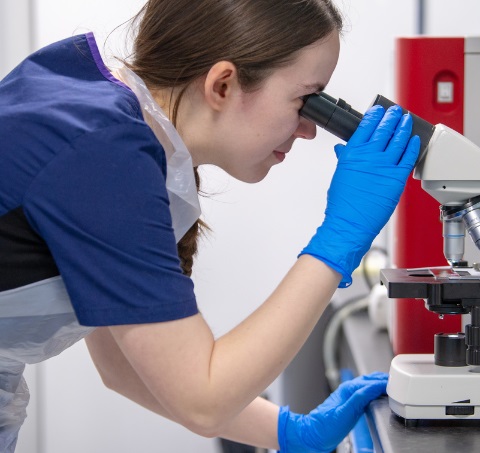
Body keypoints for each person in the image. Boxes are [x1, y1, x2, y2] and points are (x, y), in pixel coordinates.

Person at [0, 0, 420, 451]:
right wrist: (342, 235)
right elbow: (205, 397)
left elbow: (125, 366)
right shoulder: (102, 153)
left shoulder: (104, 119)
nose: (310, 130)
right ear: (222, 84)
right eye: (305, 101)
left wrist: (287, 431)